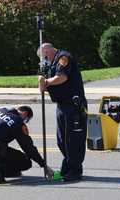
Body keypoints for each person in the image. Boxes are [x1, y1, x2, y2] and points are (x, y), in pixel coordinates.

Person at [38, 43, 88, 182]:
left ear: (47, 51)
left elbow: (62, 77)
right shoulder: (49, 64)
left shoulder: (63, 58)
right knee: (62, 140)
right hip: (61, 105)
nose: (44, 59)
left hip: (73, 105)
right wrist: (42, 79)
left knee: (73, 140)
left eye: (44, 56)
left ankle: (75, 170)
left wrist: (46, 82)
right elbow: (41, 83)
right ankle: (67, 167)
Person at [0, 105, 53, 184]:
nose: (25, 121)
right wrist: (43, 165)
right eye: (26, 119)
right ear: (25, 114)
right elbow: (28, 147)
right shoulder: (18, 122)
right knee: (25, 161)